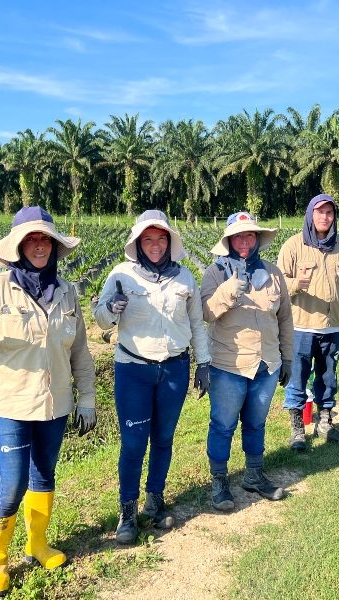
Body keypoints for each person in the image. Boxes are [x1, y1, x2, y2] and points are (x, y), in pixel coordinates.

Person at [0, 206, 97, 598]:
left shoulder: (68, 291)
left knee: (44, 476)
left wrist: (86, 399)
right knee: (13, 483)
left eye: (45, 239)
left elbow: (81, 353)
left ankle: (37, 544)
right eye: (31, 239)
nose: (39, 245)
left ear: (54, 245)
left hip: (55, 405)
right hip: (10, 406)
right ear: (19, 246)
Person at [93, 210, 211, 543]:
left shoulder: (185, 278)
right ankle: (126, 512)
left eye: (161, 238)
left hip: (174, 369)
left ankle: (154, 500)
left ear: (170, 242)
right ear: (138, 243)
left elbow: (197, 324)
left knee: (163, 439)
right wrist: (111, 308)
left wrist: (203, 363)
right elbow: (100, 319)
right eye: (148, 239)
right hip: (134, 370)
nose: (155, 245)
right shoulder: (121, 276)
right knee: (133, 444)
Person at [201, 212, 294, 511]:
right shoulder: (215, 273)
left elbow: (285, 318)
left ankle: (253, 475)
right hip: (229, 366)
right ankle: (219, 481)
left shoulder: (273, 273)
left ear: (257, 239)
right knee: (223, 424)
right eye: (239, 236)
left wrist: (287, 357)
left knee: (255, 423)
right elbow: (205, 313)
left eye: (250, 235)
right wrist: (229, 290)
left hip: (266, 364)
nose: (244, 241)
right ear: (228, 240)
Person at [276, 194, 339, 450]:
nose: (325, 217)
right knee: (297, 377)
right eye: (319, 212)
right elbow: (277, 284)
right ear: (310, 214)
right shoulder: (293, 246)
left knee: (328, 375)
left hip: (332, 326)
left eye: (329, 213)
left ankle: (325, 422)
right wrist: (294, 284)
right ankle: (297, 428)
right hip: (300, 327)